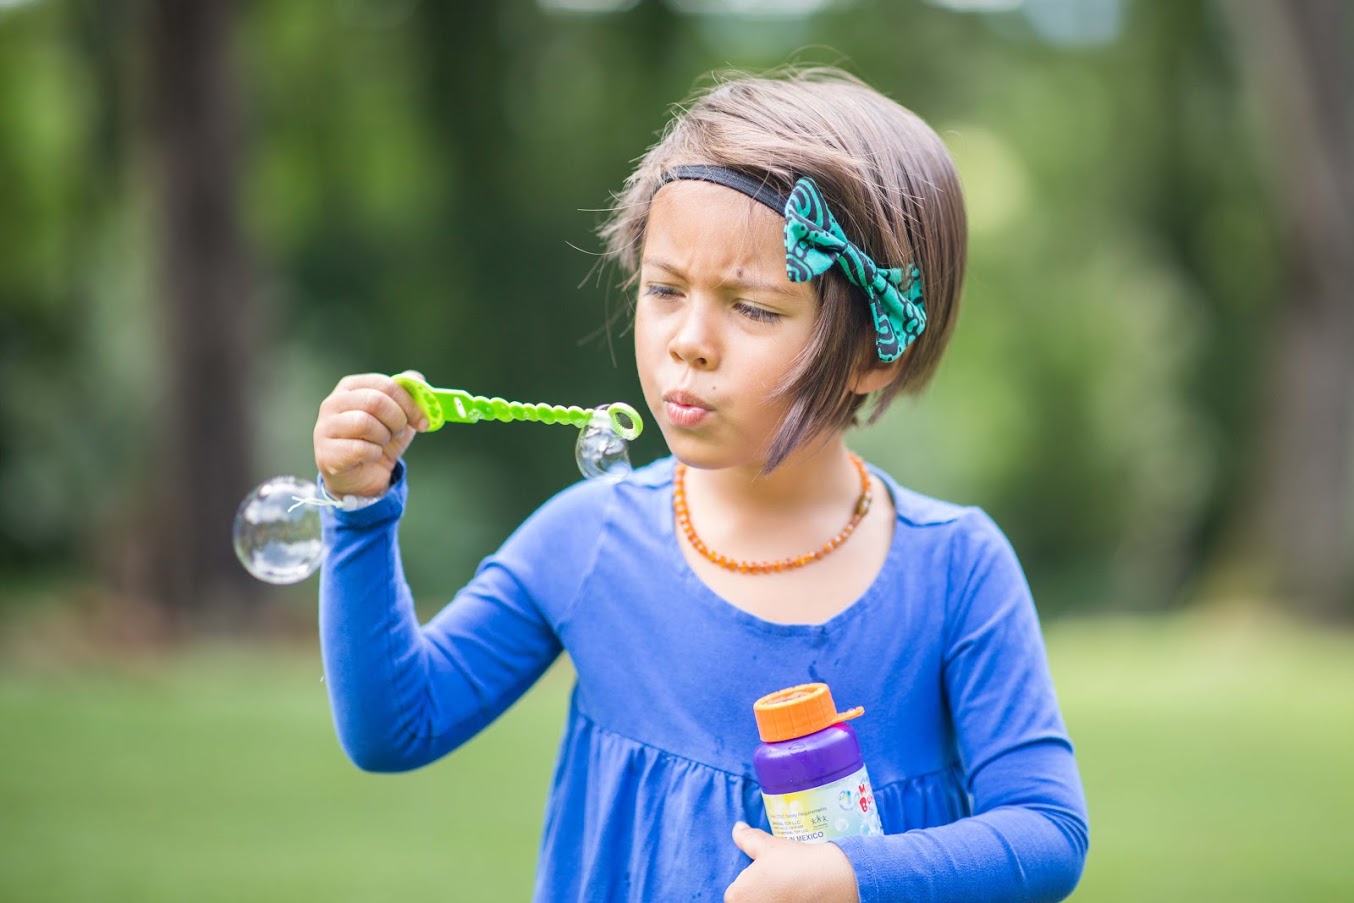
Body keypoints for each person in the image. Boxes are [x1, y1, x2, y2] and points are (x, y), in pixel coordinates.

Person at [313, 67, 1088, 903]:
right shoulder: (588, 539)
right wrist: (359, 511)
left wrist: (854, 875)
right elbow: (396, 725)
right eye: (665, 290)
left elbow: (1046, 831)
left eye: (752, 308)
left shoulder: (956, 569)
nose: (689, 341)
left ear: (873, 352)